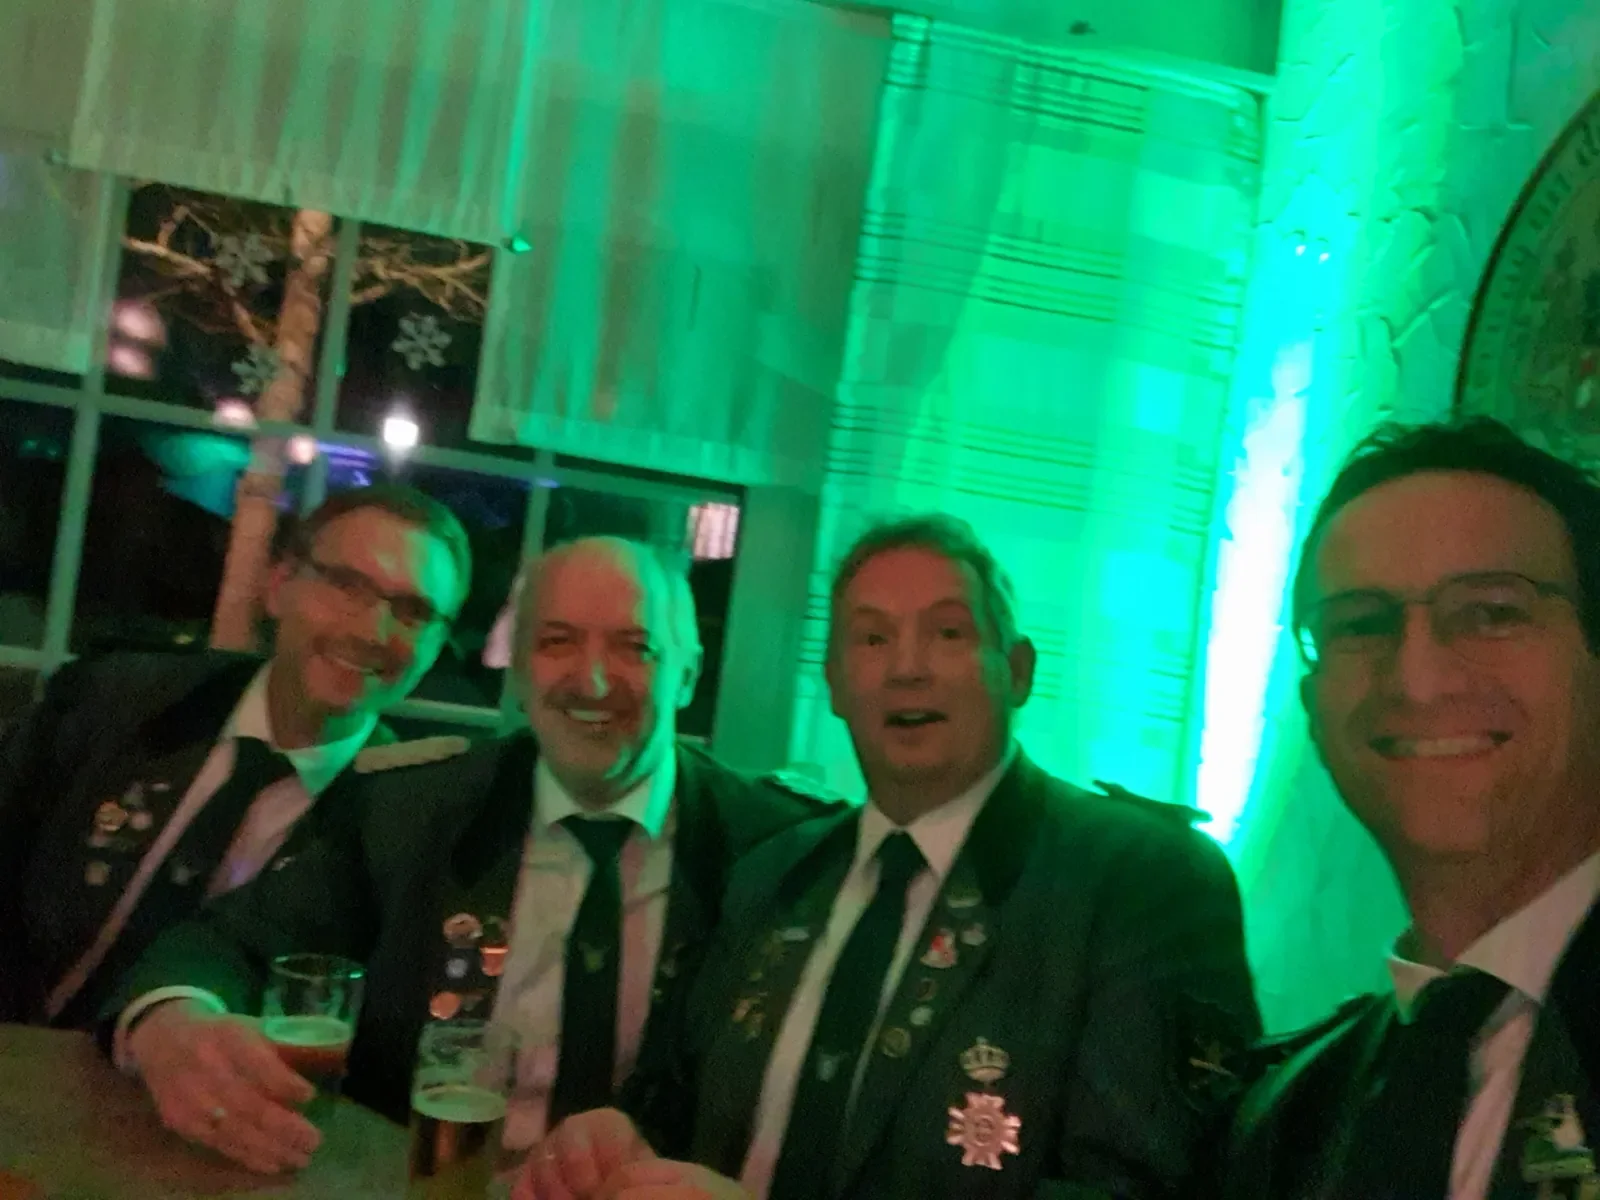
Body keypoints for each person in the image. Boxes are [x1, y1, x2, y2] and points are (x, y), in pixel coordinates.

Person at [520, 514, 1260, 1200]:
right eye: (872, 639)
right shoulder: (773, 875)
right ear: (836, 684)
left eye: (947, 633)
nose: (907, 667)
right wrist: (621, 1138)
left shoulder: (1140, 882)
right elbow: (681, 1107)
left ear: (1018, 670)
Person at [108, 537, 841, 1176]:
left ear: (687, 673)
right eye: (557, 643)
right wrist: (174, 1022)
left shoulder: (778, 845)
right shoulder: (411, 812)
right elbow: (227, 944)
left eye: (634, 647)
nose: (592, 681)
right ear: (517, 668)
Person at [1212, 418, 1600, 1200]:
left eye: (1491, 612)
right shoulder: (1290, 1114)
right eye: (1360, 624)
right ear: (1314, 708)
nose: (1416, 680)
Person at [0, 484, 470, 1029]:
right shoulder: (117, 702)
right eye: (346, 585)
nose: (371, 630)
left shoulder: (397, 827)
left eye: (413, 611)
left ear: (437, 647)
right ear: (279, 586)